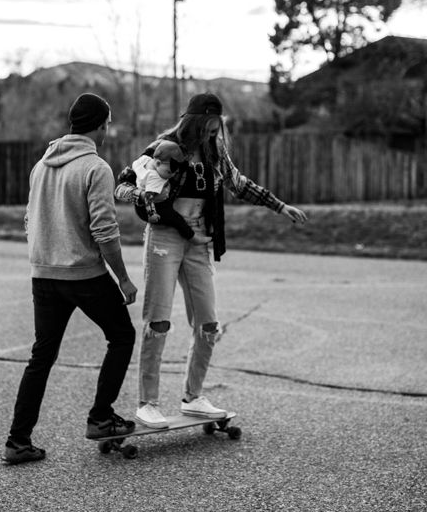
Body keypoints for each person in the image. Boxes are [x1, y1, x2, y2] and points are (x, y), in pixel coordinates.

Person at [115, 92, 307, 430]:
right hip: (165, 239)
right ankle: (148, 402)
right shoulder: (164, 147)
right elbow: (124, 183)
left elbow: (239, 185)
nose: (212, 135)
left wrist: (279, 206)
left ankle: (193, 397)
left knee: (208, 324)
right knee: (158, 320)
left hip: (199, 242)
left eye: (216, 130)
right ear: (193, 122)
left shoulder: (216, 155)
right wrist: (142, 198)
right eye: (207, 128)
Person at [4, 93, 138, 464]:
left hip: (43, 275)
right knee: (122, 336)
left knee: (41, 356)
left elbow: (29, 219)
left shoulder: (41, 166)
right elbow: (105, 232)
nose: (108, 130)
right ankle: (101, 417)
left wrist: (43, 255)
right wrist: (123, 280)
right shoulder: (96, 167)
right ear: (100, 125)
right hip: (84, 275)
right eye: (108, 123)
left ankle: (17, 442)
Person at [130, 140, 210, 243]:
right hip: (150, 208)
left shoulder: (144, 160)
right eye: (169, 172)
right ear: (158, 163)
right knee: (176, 219)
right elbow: (148, 197)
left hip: (140, 205)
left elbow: (136, 163)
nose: (172, 175)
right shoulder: (154, 178)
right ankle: (193, 238)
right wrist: (152, 214)